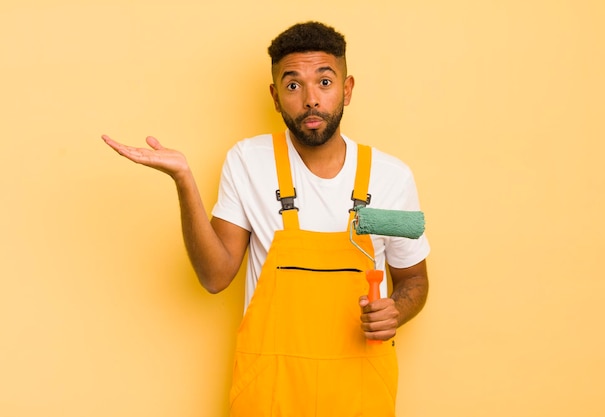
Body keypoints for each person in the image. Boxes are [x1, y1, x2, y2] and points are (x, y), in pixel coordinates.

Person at [102, 21, 429, 417]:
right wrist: (184, 180)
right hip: (270, 393)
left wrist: (395, 308)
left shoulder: (391, 178)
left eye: (324, 82)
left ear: (347, 89)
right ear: (275, 97)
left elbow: (413, 280)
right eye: (293, 85)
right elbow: (215, 276)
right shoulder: (249, 162)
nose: (311, 99)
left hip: (360, 392)